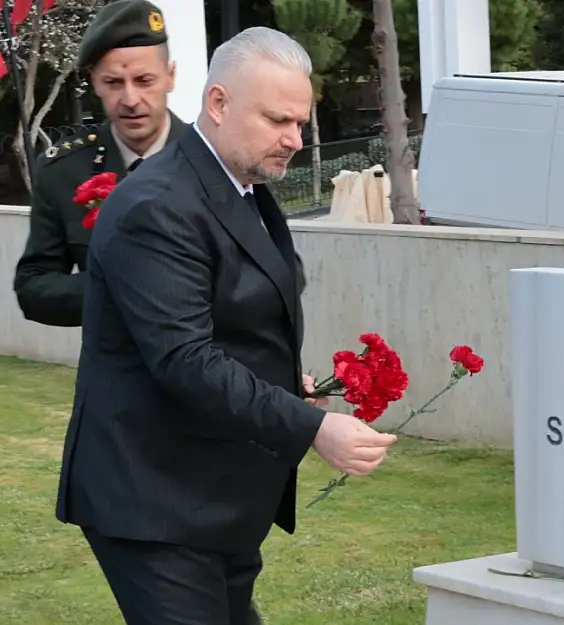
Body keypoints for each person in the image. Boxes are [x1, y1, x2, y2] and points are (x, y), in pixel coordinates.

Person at [54, 27, 396, 625]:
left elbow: (234, 323)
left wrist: (287, 380)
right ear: (217, 103)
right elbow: (186, 359)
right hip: (153, 500)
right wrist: (312, 427)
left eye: (300, 123)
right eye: (277, 121)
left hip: (217, 495)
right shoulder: (156, 206)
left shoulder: (245, 189)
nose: (293, 140)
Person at [12, 0, 188, 327]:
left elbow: (271, 270)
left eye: (144, 80)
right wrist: (112, 288)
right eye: (114, 83)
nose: (131, 99)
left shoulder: (213, 160)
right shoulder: (63, 171)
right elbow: (33, 287)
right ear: (94, 82)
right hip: (112, 371)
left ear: (170, 77)